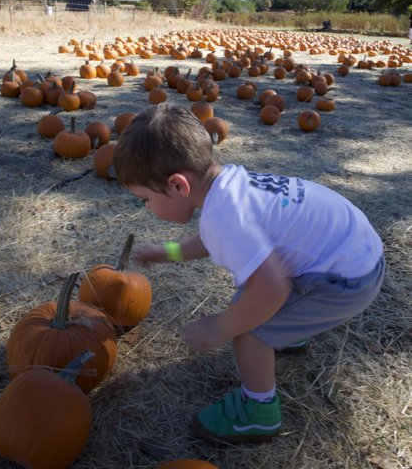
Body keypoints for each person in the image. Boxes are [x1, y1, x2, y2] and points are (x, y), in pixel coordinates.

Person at [113, 103, 385, 444]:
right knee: (254, 305)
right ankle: (289, 330)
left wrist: (221, 327)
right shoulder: (231, 187)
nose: (148, 209)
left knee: (249, 326)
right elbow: (210, 239)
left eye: (145, 200)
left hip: (346, 280)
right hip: (355, 253)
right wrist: (168, 252)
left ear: (178, 185)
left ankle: (259, 412)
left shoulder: (224, 216)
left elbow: (271, 290)